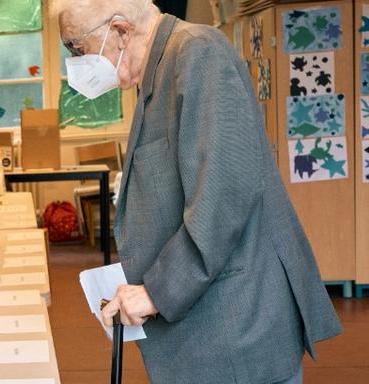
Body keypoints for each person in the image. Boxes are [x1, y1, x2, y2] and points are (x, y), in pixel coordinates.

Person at [50, 1, 341, 383]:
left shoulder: (196, 53)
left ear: (120, 31)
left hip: (236, 326)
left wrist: (156, 292)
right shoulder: (159, 67)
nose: (75, 62)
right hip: (212, 325)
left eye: (76, 47)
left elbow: (224, 197)